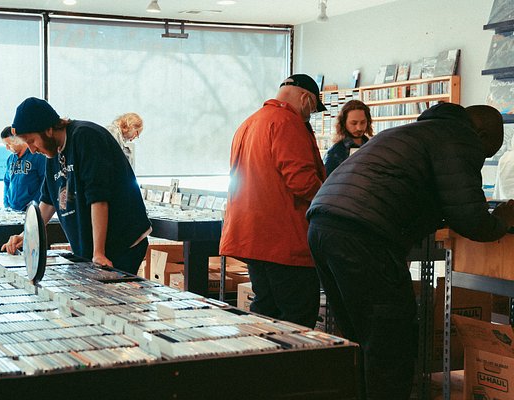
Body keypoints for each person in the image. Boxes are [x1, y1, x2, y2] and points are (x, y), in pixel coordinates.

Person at [307, 103, 514, 400]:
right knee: (392, 340)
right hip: (363, 234)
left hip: (323, 225)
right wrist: (504, 219)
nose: (479, 161)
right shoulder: (458, 138)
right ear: (479, 134)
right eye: (484, 154)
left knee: (362, 339)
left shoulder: (413, 132)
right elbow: (472, 219)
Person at [218, 74, 326, 329]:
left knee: (264, 312)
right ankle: (292, 370)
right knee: (297, 321)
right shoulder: (288, 122)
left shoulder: (250, 122)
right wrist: (329, 200)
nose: (310, 115)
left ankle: (262, 367)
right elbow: (301, 181)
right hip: (284, 240)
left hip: (252, 237)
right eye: (312, 108)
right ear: (305, 99)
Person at [1, 98, 151, 274]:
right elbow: (48, 203)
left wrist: (98, 252)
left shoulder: (85, 136)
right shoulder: (52, 154)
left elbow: (99, 197)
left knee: (109, 298)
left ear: (48, 130)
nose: (32, 150)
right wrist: (26, 236)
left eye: (32, 141)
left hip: (121, 244)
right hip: (93, 249)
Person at [323, 99, 374, 176]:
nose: (359, 128)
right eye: (354, 123)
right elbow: (327, 184)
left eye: (363, 122)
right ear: (343, 123)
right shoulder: (334, 153)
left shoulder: (372, 146)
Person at [1, 126, 46, 211]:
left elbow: (44, 182)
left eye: (8, 144)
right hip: (12, 209)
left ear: (18, 140)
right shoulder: (10, 159)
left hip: (32, 210)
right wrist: (6, 203)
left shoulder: (37, 156)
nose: (7, 148)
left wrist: (35, 203)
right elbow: (6, 181)